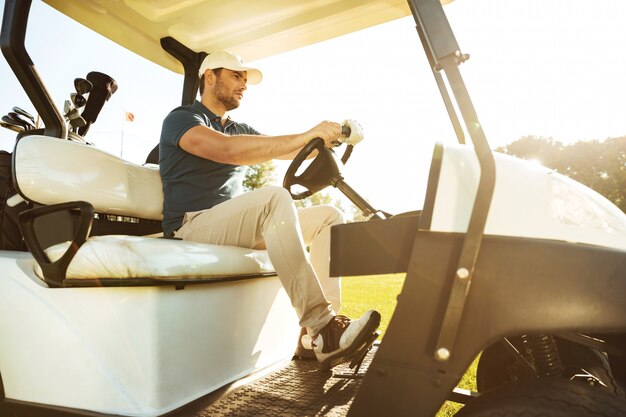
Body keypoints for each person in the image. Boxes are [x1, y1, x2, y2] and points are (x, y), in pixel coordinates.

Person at [159, 50, 380, 369]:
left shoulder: (238, 128)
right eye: (236, 76)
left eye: (245, 80)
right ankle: (323, 326)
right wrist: (307, 135)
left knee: (329, 216)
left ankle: (314, 339)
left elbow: (287, 149)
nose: (243, 85)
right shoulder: (182, 119)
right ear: (210, 77)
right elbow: (225, 151)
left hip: (229, 227)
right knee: (275, 197)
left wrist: (329, 139)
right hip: (192, 227)